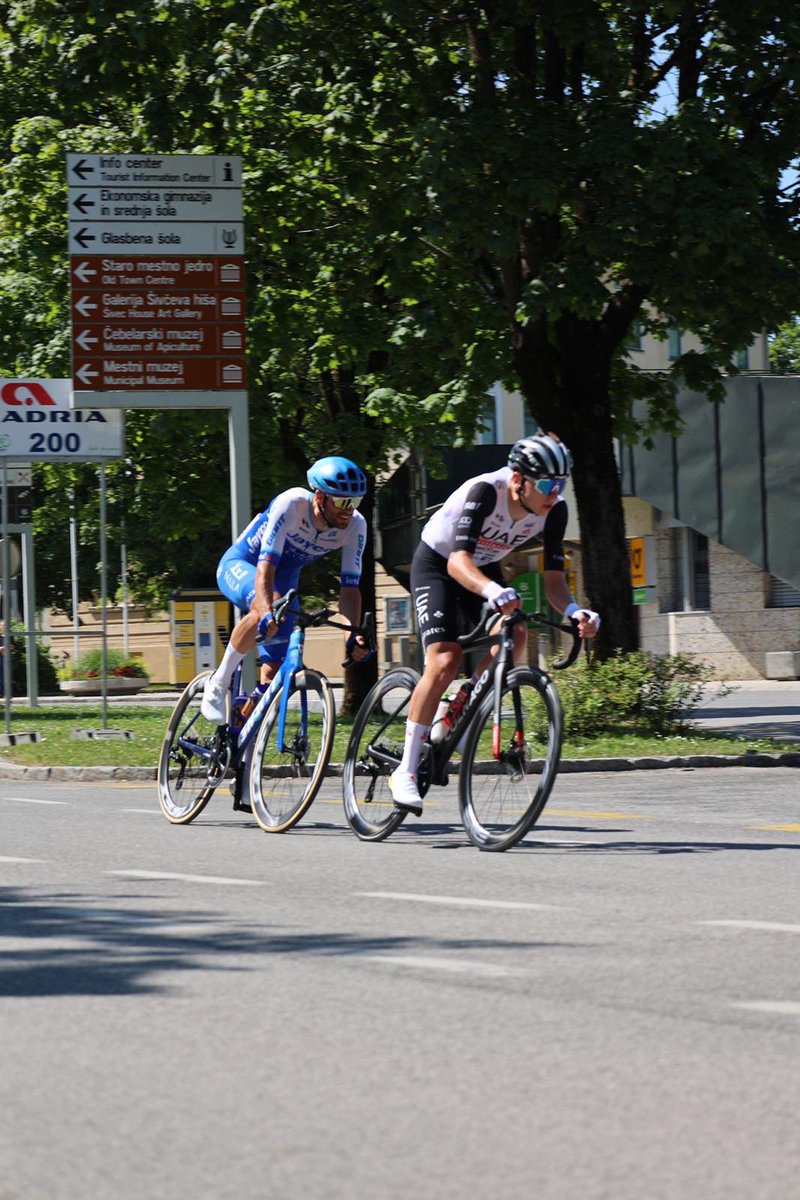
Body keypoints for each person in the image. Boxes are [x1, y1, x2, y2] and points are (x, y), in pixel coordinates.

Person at [389, 433, 600, 815]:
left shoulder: (556, 509)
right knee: (443, 660)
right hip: (440, 562)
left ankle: (460, 704)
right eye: (549, 485)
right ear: (519, 480)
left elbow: (554, 581)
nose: (555, 493)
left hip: (482, 564)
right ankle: (404, 770)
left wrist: (573, 612)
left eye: (562, 484)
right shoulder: (486, 491)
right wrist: (491, 591)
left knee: (516, 631)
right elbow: (456, 561)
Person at [201, 456, 372, 723]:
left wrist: (351, 636)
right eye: (341, 501)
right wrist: (267, 609)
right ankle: (218, 682)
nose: (348, 510)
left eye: (355, 501)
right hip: (244, 564)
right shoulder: (291, 504)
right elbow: (265, 567)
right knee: (264, 609)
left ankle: (243, 732)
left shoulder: (355, 526)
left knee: (275, 670)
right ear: (319, 496)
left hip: (285, 581)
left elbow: (349, 589)